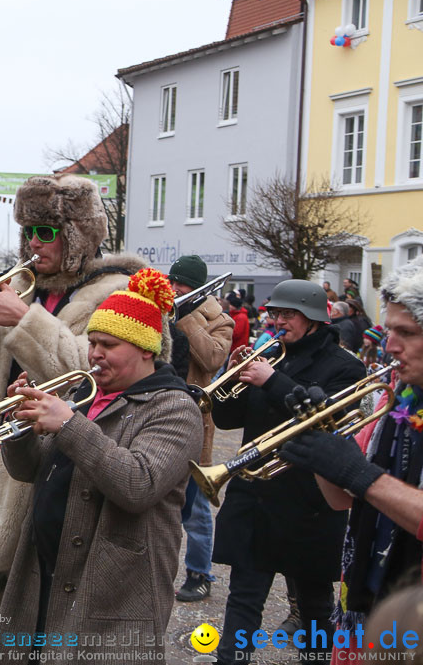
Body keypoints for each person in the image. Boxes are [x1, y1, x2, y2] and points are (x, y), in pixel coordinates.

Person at [0, 174, 146, 663]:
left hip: (55, 474)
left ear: (75, 238)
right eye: (27, 231)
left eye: (45, 233)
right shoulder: (26, 285)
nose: (31, 243)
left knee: (31, 619)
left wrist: (22, 317)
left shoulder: (116, 294)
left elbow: (88, 374)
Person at [0, 268, 203, 660]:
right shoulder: (85, 393)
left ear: (145, 349)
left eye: (108, 344)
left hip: (113, 587)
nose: (94, 354)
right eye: (92, 343)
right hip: (46, 571)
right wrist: (19, 427)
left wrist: (71, 424)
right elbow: (28, 471)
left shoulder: (175, 408)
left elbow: (138, 484)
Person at [210, 279, 366, 664]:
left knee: (314, 603)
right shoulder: (268, 354)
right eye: (274, 313)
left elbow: (331, 420)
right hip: (256, 496)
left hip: (309, 503)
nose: (278, 321)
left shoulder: (346, 366)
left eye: (287, 314)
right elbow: (228, 418)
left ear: (312, 318)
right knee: (243, 597)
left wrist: (272, 380)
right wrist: (231, 378)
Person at [280, 256, 423, 636]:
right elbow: (340, 500)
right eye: (388, 330)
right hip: (371, 605)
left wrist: (363, 477)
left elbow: (362, 482)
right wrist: (321, 443)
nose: (389, 346)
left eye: (406, 332)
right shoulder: (395, 399)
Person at [167, 256, 233, 602]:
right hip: (158, 412)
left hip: (192, 416)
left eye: (182, 284)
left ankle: (199, 573)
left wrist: (187, 319)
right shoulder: (162, 308)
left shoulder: (219, 320)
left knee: (194, 507)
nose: (174, 289)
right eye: (172, 281)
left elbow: (211, 360)